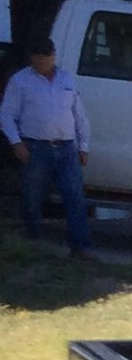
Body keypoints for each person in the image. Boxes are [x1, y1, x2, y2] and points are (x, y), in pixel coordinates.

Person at [2, 34, 94, 256]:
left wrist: (84, 145)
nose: (42, 63)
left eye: (46, 58)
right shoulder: (20, 81)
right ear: (32, 59)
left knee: (74, 197)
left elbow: (78, 114)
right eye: (38, 59)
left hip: (66, 147)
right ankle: (32, 238)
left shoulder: (67, 79)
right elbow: (6, 114)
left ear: (53, 56)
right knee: (32, 197)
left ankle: (80, 247)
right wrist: (16, 143)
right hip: (35, 147)